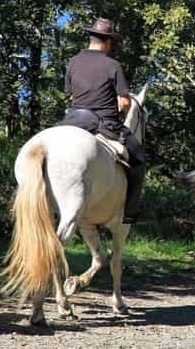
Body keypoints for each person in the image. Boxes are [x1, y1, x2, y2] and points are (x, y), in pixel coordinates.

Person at [61, 17, 145, 224]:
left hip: (71, 120)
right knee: (139, 160)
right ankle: (130, 212)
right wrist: (121, 113)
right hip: (103, 122)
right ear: (107, 42)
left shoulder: (73, 62)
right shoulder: (112, 65)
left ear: (91, 38)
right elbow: (125, 103)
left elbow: (70, 96)